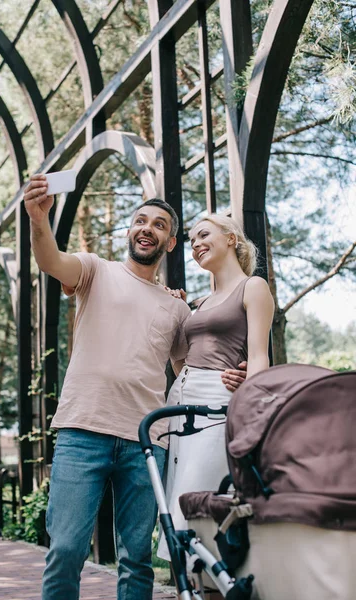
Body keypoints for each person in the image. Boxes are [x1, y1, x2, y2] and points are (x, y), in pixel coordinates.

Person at [23, 174, 246, 600]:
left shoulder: (177, 306)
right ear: (129, 230)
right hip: (82, 430)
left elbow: (190, 366)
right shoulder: (94, 270)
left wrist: (236, 372)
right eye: (140, 220)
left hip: (146, 441)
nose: (148, 228)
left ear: (170, 243)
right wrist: (38, 219)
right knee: (66, 549)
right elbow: (51, 260)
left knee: (136, 559)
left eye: (160, 225)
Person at [158, 212, 275, 560]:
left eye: (203, 235)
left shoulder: (253, 286)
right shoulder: (199, 303)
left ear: (231, 239)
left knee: (202, 497)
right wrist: (176, 310)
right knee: (181, 496)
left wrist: (248, 409)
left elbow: (258, 357)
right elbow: (181, 362)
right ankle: (191, 587)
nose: (195, 244)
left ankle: (215, 583)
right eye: (192, 240)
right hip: (180, 399)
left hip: (217, 400)